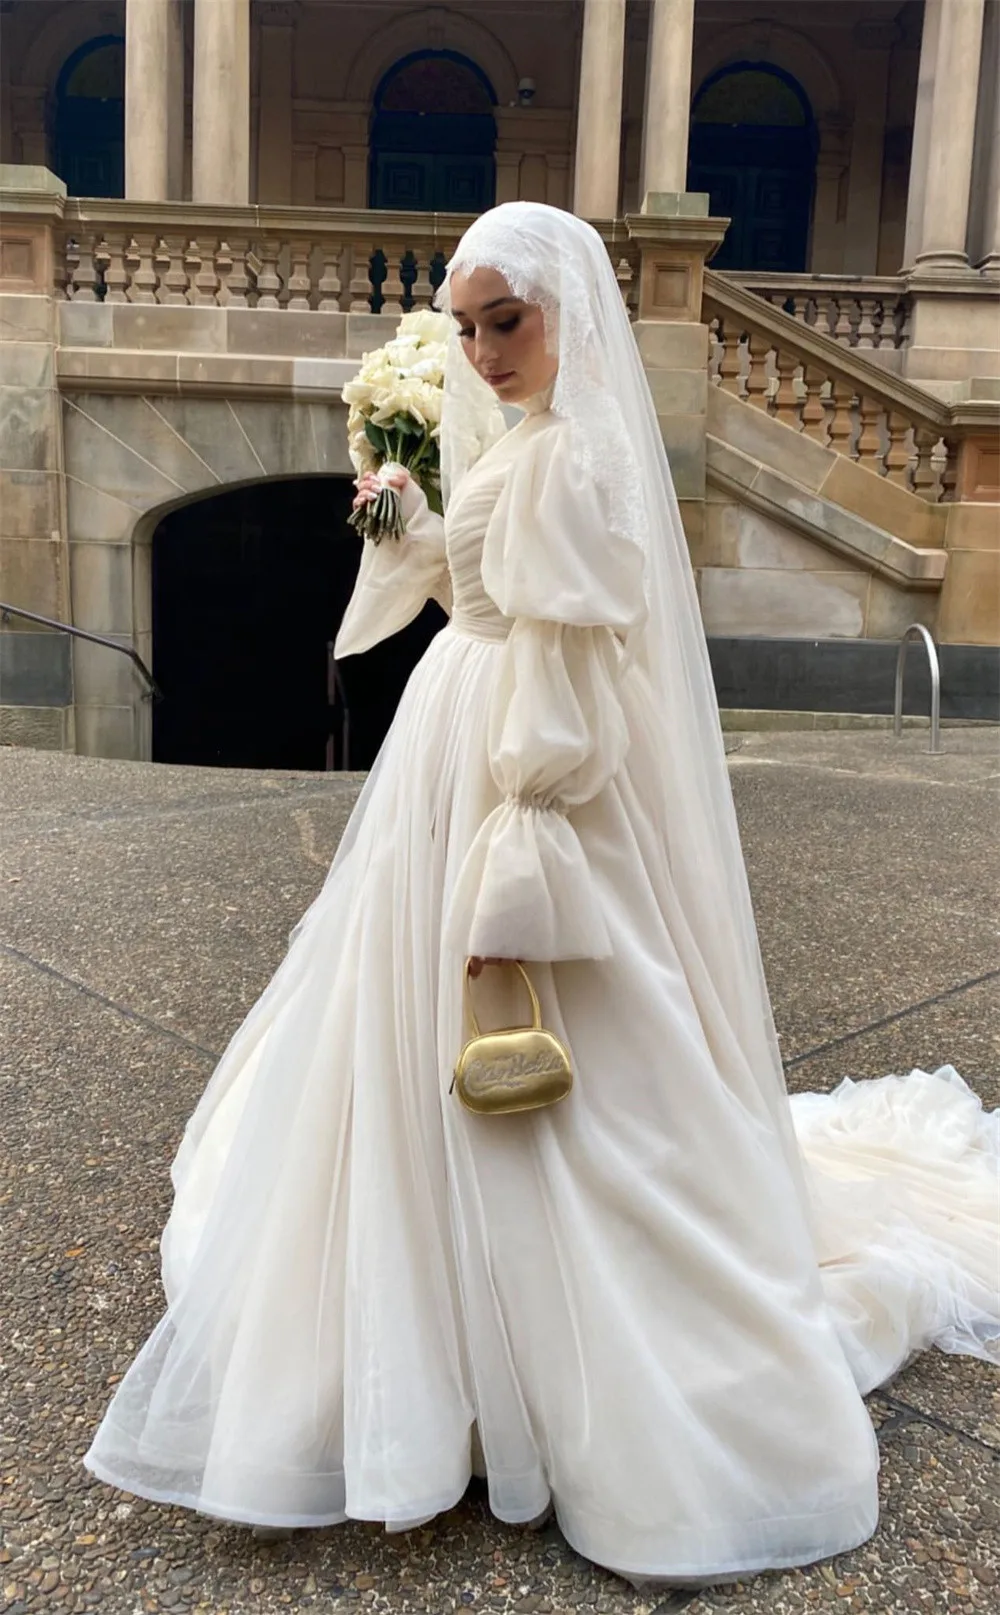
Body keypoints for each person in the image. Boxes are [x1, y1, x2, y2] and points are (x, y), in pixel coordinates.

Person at [84, 203, 999, 1589]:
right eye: (464, 326)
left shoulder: (573, 459)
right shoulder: (529, 447)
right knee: (429, 1038)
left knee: (543, 1038)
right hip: (460, 745)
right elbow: (486, 592)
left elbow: (571, 673)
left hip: (515, 775)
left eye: (504, 319)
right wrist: (411, 521)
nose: (482, 348)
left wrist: (517, 832)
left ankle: (514, 1336)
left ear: (566, 310)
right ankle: (457, 1317)